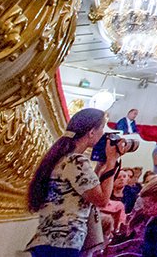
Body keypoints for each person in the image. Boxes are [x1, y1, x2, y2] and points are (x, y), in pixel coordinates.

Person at [25, 107, 113, 257]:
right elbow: (101, 200)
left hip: (48, 241)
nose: (103, 134)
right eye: (102, 128)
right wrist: (112, 162)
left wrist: (99, 168)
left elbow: (88, 192)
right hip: (63, 244)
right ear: (91, 132)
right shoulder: (77, 160)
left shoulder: (63, 157)